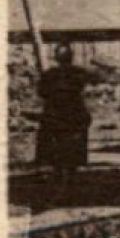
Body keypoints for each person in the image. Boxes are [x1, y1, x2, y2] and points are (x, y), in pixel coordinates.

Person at [37, 43, 91, 189]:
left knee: (60, 147)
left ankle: (63, 177)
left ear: (56, 57)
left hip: (60, 113)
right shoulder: (78, 72)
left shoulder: (50, 74)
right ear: (71, 57)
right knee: (69, 147)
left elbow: (42, 92)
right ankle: (68, 178)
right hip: (70, 113)